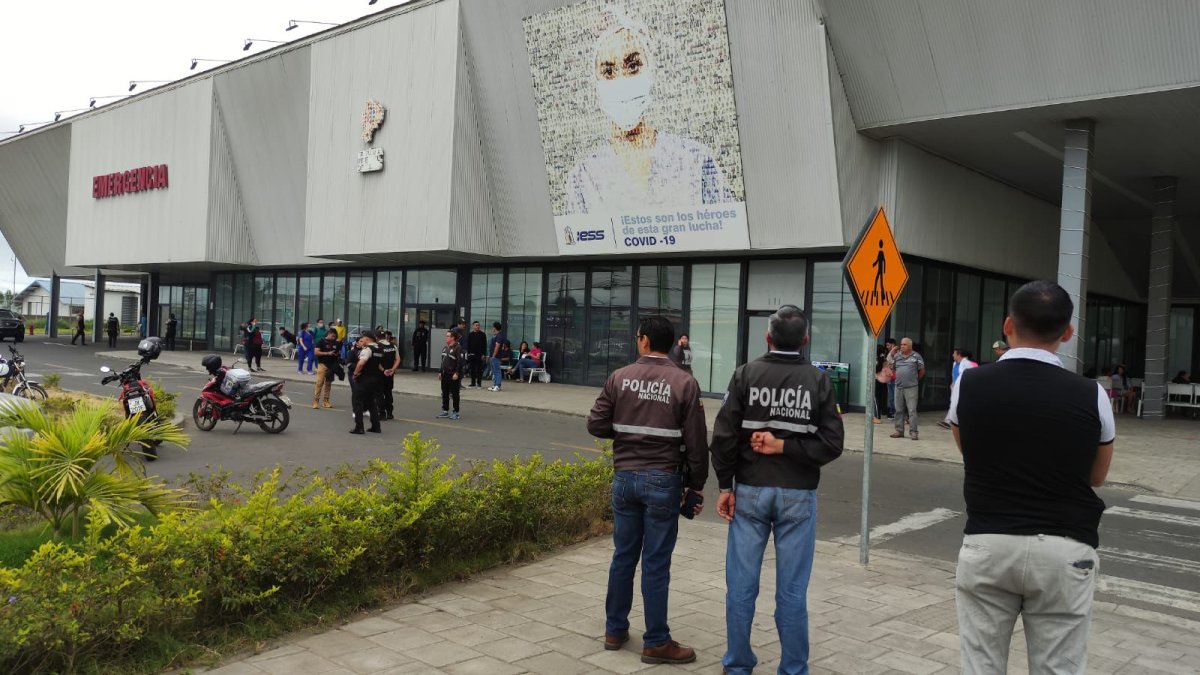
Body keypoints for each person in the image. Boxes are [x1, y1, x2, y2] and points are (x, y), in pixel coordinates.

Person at [948, 280, 1115, 675]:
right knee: (1059, 668)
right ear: (1067, 332)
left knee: (980, 665)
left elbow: (971, 451)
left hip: (988, 542)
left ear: (1008, 325)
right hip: (1064, 549)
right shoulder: (1092, 394)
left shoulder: (967, 384)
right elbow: (1096, 476)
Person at [710, 304, 845, 675]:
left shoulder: (745, 374)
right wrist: (788, 446)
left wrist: (725, 484)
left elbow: (723, 436)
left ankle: (737, 665)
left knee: (740, 587)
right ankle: (793, 668)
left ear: (767, 338)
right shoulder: (818, 382)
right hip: (798, 495)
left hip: (750, 490)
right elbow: (833, 444)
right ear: (804, 341)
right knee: (792, 591)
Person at [586, 316, 708, 665]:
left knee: (623, 556)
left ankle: (614, 629)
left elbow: (595, 423)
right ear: (669, 344)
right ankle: (656, 641)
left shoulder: (618, 378)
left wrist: (627, 437)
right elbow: (697, 443)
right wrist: (696, 486)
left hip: (625, 478)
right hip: (662, 480)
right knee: (656, 562)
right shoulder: (684, 383)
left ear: (642, 341)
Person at [563, 8, 735, 215]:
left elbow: (729, 235)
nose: (622, 82)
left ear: (650, 69)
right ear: (594, 83)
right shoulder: (583, 180)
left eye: (633, 66)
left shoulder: (695, 163)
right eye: (608, 71)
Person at [349, 329, 384, 435]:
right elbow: (378, 364)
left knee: (357, 402)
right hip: (376, 379)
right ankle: (376, 426)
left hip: (365, 379)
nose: (361, 340)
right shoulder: (379, 348)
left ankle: (359, 427)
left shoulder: (367, 349)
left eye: (362, 339)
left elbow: (361, 364)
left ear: (367, 339)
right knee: (371, 403)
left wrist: (355, 374)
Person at [889, 337, 924, 440]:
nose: (902, 346)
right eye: (901, 344)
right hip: (898, 387)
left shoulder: (916, 356)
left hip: (911, 388)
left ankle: (913, 432)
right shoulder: (897, 356)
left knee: (912, 410)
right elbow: (894, 369)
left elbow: (921, 371)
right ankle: (899, 431)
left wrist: (914, 380)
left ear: (910, 346)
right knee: (898, 410)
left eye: (904, 344)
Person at [938, 348, 977, 429]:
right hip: (955, 387)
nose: (953, 355)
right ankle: (949, 421)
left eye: (954, 353)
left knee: (957, 404)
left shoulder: (968, 364)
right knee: (953, 403)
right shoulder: (954, 363)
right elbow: (954, 375)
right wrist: (952, 383)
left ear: (959, 355)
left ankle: (949, 421)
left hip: (963, 388)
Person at [436, 330, 466, 420]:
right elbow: (442, 362)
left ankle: (456, 412)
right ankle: (445, 411)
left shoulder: (458, 348)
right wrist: (440, 372)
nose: (446, 337)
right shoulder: (445, 348)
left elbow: (460, 362)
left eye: (448, 336)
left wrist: (457, 373)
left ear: (453, 338)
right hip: (445, 374)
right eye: (446, 336)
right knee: (444, 393)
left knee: (455, 394)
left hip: (453, 375)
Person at [312, 327, 341, 409]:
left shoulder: (336, 343)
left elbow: (338, 353)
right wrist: (328, 353)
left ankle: (326, 401)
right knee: (319, 383)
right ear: (328, 334)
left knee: (328, 384)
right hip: (322, 364)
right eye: (332, 336)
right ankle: (316, 401)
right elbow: (316, 352)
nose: (334, 338)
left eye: (335, 336)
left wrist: (336, 355)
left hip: (332, 365)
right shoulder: (321, 342)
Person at [377, 330, 400, 420]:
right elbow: (398, 359)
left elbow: (377, 361)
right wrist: (392, 370)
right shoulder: (393, 346)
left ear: (377, 337)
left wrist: (383, 370)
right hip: (390, 374)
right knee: (388, 393)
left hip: (380, 374)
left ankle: (382, 413)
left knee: (379, 394)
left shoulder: (378, 346)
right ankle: (390, 413)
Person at [466, 320, 487, 389]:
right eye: (476, 325)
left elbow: (485, 345)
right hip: (472, 354)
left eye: (478, 325)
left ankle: (479, 383)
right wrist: (468, 353)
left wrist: (484, 354)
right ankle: (473, 383)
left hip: (479, 354)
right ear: (473, 326)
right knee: (472, 369)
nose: (477, 326)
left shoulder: (482, 334)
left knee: (479, 369)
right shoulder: (470, 334)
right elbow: (468, 345)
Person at [487, 322, 508, 392]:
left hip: (496, 356)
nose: (492, 328)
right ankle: (495, 384)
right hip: (493, 356)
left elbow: (497, 346)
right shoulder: (496, 335)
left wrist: (493, 356)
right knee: (494, 371)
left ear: (495, 327)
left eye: (493, 327)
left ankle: (498, 385)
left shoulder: (499, 336)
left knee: (497, 371)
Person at [873, 344, 890, 425]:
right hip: (883, 382)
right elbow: (887, 371)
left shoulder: (875, 360)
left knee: (876, 399)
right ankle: (879, 414)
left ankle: (877, 417)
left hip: (876, 381)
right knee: (880, 398)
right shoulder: (885, 360)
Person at [883, 337, 898, 418]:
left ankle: (895, 412)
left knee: (894, 397)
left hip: (894, 378)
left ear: (893, 345)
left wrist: (889, 366)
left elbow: (893, 365)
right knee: (891, 397)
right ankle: (892, 411)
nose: (887, 347)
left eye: (888, 345)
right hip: (890, 378)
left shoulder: (896, 353)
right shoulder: (889, 353)